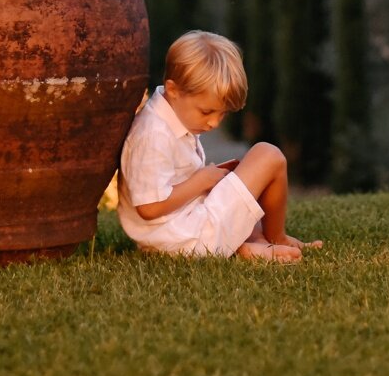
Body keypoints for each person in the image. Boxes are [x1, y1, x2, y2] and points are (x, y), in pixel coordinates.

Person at [117, 30, 323, 264]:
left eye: (222, 113)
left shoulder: (170, 116)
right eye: (206, 112)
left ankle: (250, 244)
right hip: (183, 236)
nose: (214, 122)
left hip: (183, 229)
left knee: (248, 190)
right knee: (269, 155)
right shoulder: (153, 134)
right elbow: (150, 207)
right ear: (173, 90)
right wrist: (201, 181)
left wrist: (211, 178)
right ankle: (276, 238)